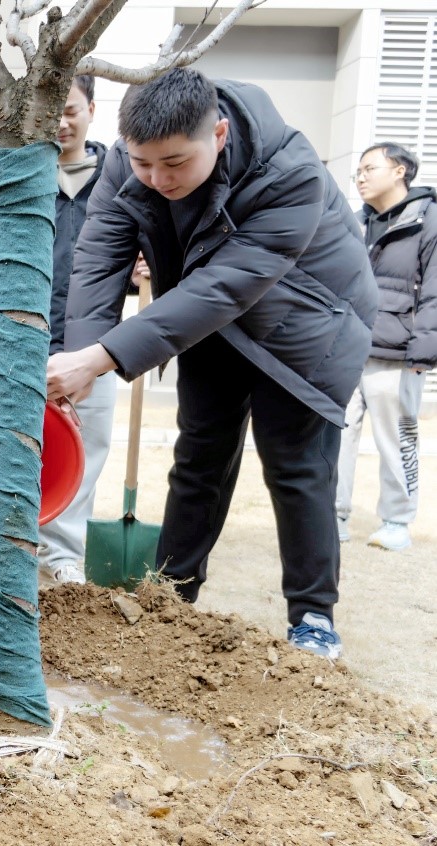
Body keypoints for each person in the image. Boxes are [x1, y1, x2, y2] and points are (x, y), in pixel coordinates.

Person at [49, 68, 376, 660]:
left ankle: (312, 616)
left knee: (297, 465)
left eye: (174, 163)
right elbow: (99, 257)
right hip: (208, 322)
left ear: (219, 134)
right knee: (199, 454)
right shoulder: (127, 164)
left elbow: (227, 286)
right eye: (143, 163)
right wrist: (84, 353)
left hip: (308, 325)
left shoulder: (289, 171)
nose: (157, 178)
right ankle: (171, 596)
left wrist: (103, 356)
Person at [0, 74, 117, 585]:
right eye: (52, 111)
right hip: (22, 340)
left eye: (70, 110)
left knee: (86, 448)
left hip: (93, 346)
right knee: (17, 443)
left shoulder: (118, 180)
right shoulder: (13, 175)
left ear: (92, 109)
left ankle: (63, 555)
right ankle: (15, 544)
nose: (60, 122)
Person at [336, 143, 436, 551]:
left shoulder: (428, 220)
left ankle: (397, 521)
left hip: (397, 355)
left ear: (400, 171)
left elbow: (435, 291)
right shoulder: (355, 223)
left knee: (397, 438)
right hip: (346, 350)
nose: (360, 177)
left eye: (370, 168)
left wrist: (423, 351)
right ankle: (332, 516)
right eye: (357, 171)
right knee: (335, 436)